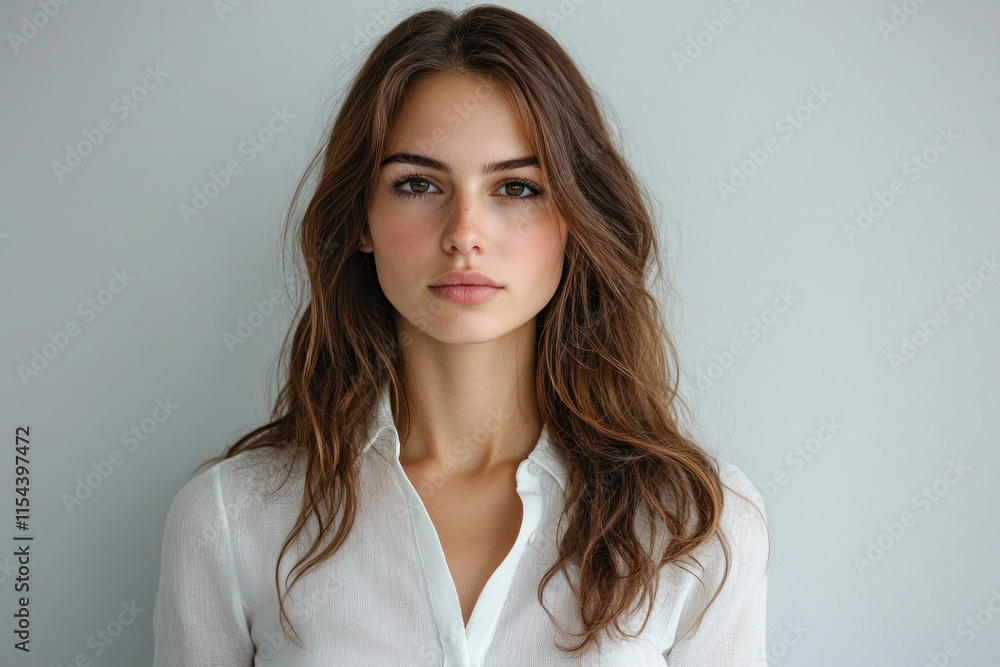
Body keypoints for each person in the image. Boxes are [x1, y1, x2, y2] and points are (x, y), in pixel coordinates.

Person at [151, 5, 770, 665]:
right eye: (418, 184)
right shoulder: (227, 518)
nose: (464, 232)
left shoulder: (700, 526)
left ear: (575, 220)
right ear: (361, 218)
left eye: (517, 187)